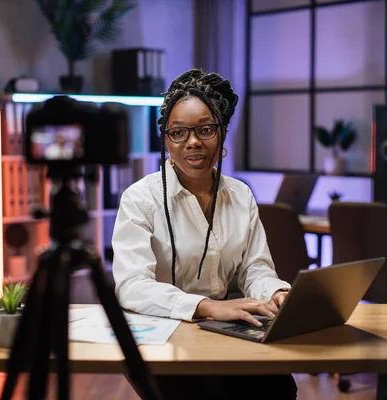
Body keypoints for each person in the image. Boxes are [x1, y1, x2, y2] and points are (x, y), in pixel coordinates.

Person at [112, 68, 297, 399]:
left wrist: (276, 294)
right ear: (165, 139)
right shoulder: (140, 199)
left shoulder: (240, 194)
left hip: (228, 330)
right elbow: (132, 287)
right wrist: (207, 307)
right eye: (179, 132)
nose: (193, 142)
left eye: (205, 130)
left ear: (222, 134)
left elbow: (255, 268)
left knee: (278, 388)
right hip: (165, 334)